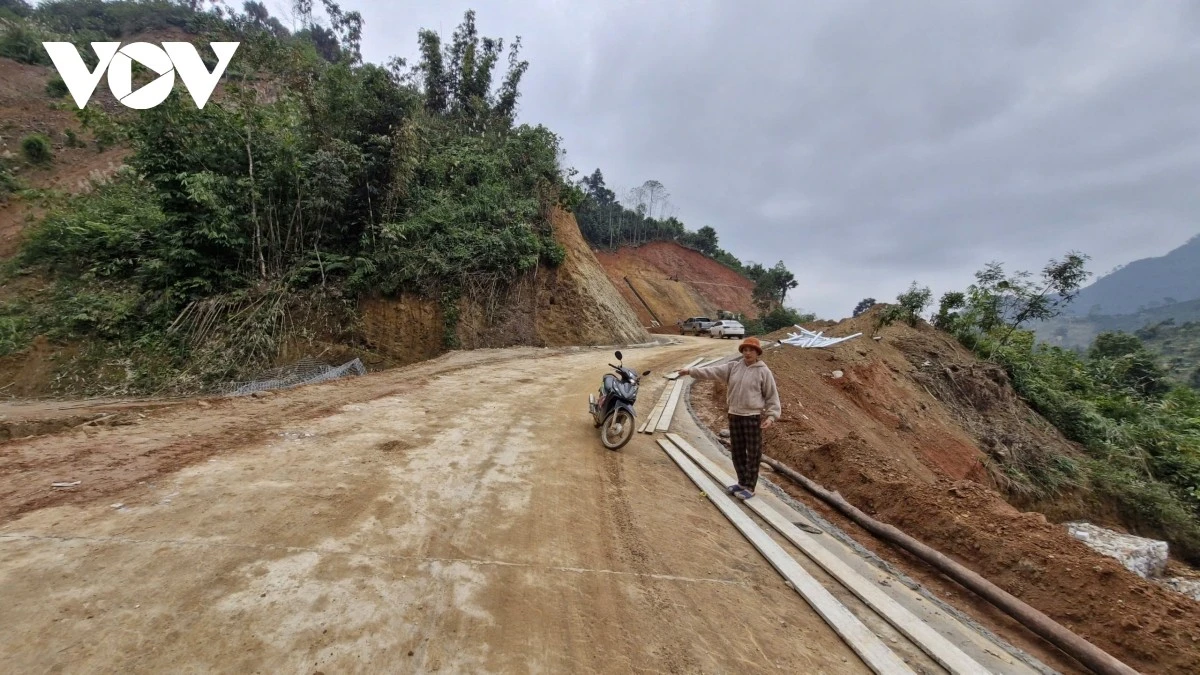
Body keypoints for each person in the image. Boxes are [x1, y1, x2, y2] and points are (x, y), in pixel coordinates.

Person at [679, 336, 781, 500]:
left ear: (757, 353)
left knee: (753, 453)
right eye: (745, 350)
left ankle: (750, 486)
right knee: (737, 451)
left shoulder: (763, 371)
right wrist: (691, 371)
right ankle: (741, 482)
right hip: (734, 415)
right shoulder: (733, 367)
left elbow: (771, 396)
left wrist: (771, 415)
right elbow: (712, 371)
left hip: (752, 417)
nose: (747, 353)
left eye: (751, 350)